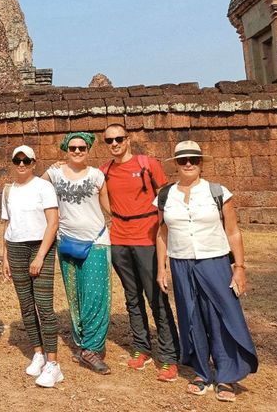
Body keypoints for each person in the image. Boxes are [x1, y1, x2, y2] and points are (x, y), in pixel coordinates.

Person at [155, 140, 258, 403]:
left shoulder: (217, 191)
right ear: (176, 165)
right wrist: (161, 268)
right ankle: (201, 371)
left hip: (214, 261)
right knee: (191, 316)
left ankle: (226, 374)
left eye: (193, 159)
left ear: (201, 163)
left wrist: (239, 267)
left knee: (221, 315)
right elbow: (162, 232)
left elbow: (233, 230)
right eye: (182, 160)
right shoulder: (166, 196)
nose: (188, 164)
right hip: (181, 262)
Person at [100, 123, 180, 381]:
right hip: (119, 237)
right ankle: (142, 347)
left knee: (156, 295)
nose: (114, 144)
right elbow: (99, 196)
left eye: (118, 139)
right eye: (109, 141)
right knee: (131, 296)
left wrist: (163, 236)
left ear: (128, 139)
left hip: (147, 236)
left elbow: (164, 198)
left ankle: (168, 355)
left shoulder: (148, 165)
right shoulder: (105, 171)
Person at [44, 131, 112, 375]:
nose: (77, 152)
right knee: (75, 296)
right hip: (66, 241)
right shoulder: (53, 174)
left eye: (82, 148)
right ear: (65, 149)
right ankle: (82, 342)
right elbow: (34, 190)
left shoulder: (96, 175)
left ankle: (92, 348)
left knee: (95, 295)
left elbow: (108, 206)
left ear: (88, 150)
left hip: (96, 241)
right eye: (72, 148)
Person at [1, 145, 63, 388]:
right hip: (16, 247)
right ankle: (38, 352)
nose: (22, 164)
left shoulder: (43, 187)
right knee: (26, 305)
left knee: (44, 306)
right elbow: (7, 226)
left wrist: (39, 257)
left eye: (26, 160)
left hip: (41, 247)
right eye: (17, 160)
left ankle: (53, 363)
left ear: (34, 162)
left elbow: (53, 223)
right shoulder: (8, 191)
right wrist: (5, 257)